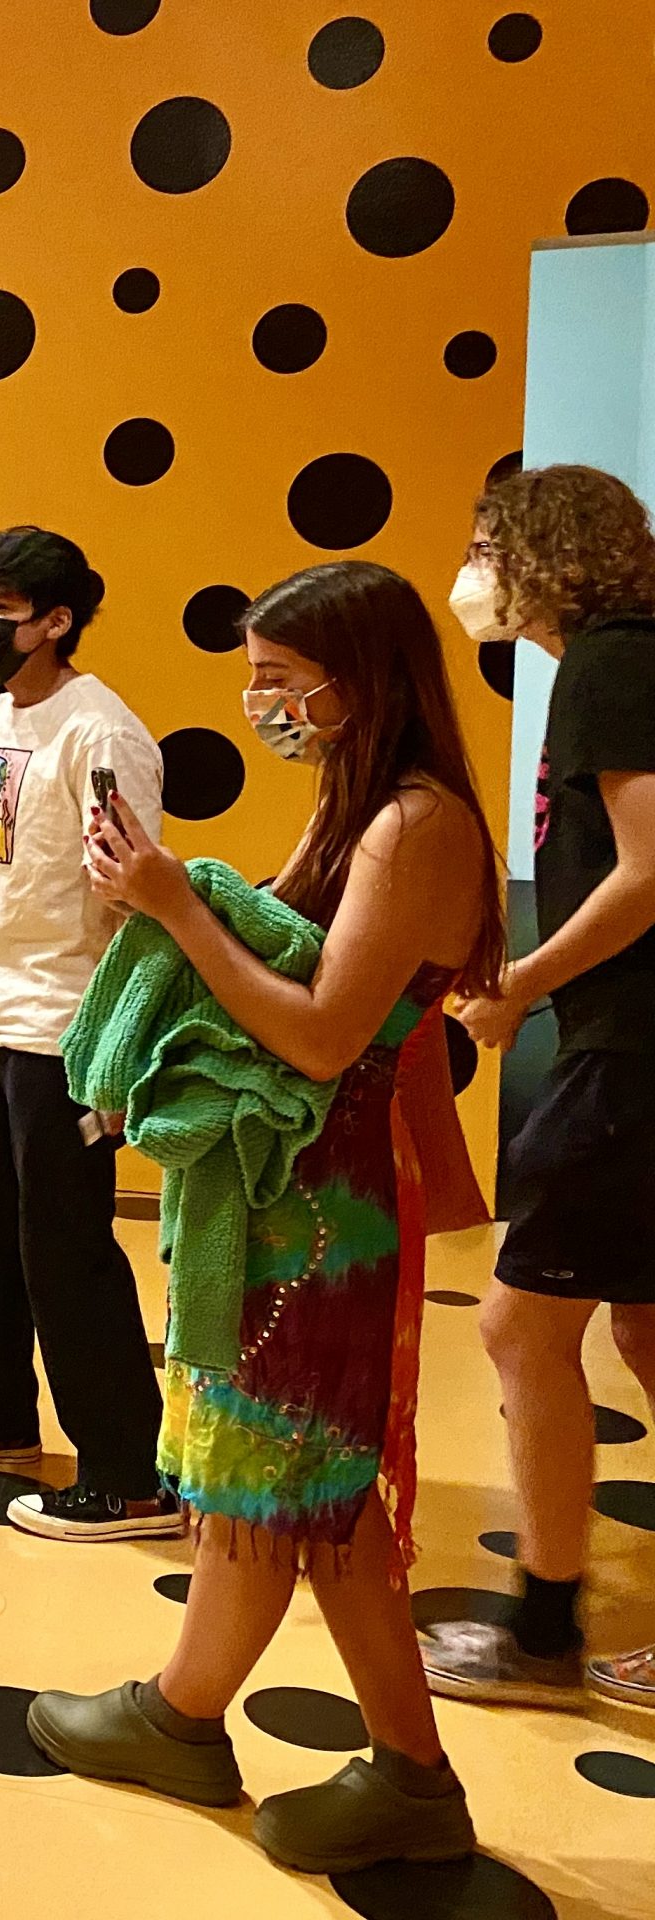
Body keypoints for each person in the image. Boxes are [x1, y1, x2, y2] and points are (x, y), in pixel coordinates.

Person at [30, 560, 504, 1876]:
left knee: (298, 1483)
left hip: (323, 1212)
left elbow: (316, 1035)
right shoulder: (363, 811)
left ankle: (327, 1754)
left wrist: (177, 901)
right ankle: (211, 1722)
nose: (259, 705)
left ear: (357, 687)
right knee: (293, 1490)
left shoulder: (417, 826)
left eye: (281, 685)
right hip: (301, 1192)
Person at [0, 527, 178, 1543]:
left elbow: (138, 894)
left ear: (56, 620)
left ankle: (125, 1471)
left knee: (64, 1245)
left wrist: (118, 1051)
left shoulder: (100, 733)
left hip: (64, 1028)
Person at [426, 464, 655, 1711]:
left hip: (630, 1049)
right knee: (640, 1326)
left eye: (482, 547)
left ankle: (544, 1630)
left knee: (521, 1324)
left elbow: (645, 869)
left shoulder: (610, 664)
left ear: (540, 554)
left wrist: (522, 981)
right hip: (628, 1037)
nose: (472, 574)